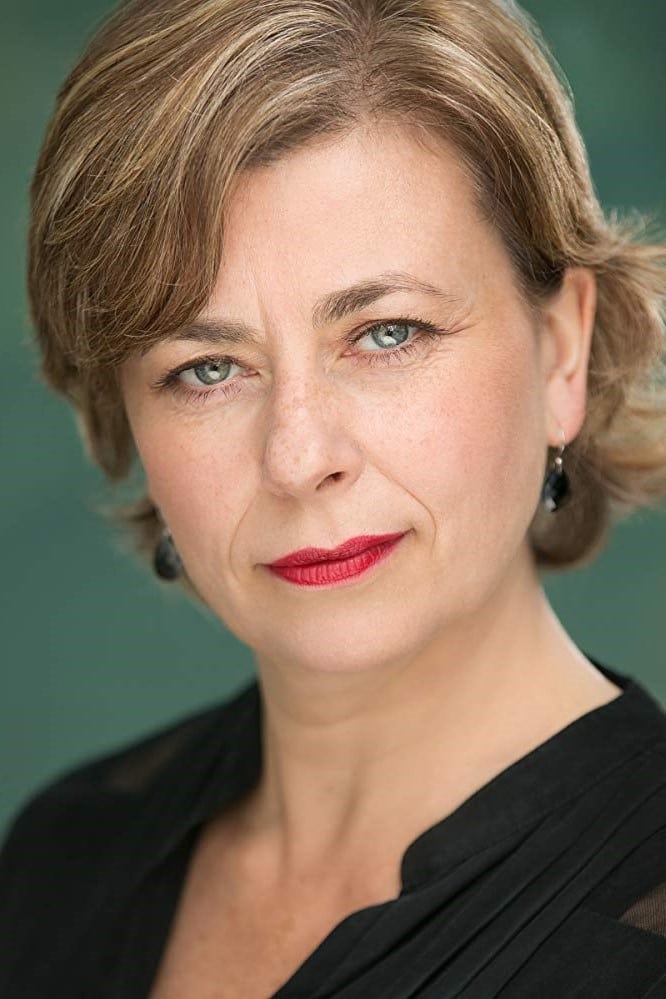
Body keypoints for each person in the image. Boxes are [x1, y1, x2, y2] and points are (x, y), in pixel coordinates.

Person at [2, 0, 666, 995]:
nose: (298, 457)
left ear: (562, 351)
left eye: (388, 332)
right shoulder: (58, 864)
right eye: (207, 368)